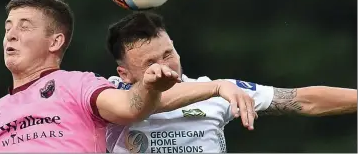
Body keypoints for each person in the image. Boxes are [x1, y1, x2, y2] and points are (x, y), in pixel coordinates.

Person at [0, 0, 254, 153]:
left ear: (55, 41)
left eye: (24, 27)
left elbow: (131, 106)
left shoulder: (76, 86)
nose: (10, 35)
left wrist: (214, 87)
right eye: (8, 27)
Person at [105, 11, 357, 153]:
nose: (165, 65)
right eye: (150, 63)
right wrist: (216, 87)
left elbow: (302, 100)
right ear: (124, 73)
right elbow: (140, 103)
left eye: (168, 54)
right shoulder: (108, 94)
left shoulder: (221, 91)